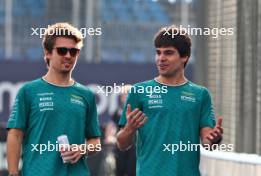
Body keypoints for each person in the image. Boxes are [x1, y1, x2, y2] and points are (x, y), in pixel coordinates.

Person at [117, 25, 223, 176]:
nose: (161, 58)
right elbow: (122, 143)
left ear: (184, 56)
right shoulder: (139, 91)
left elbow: (208, 143)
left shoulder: (201, 94)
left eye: (168, 53)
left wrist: (214, 139)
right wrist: (129, 129)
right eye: (158, 53)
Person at [6, 22, 101, 176]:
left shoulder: (87, 95)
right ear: (48, 53)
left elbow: (96, 143)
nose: (68, 56)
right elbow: (15, 135)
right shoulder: (29, 91)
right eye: (62, 50)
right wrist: (13, 173)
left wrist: (82, 149)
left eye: (74, 51)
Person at [112, 85, 136, 176]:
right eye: (123, 95)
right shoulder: (116, 113)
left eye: (127, 94)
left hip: (134, 148)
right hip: (120, 148)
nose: (125, 97)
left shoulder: (139, 111)